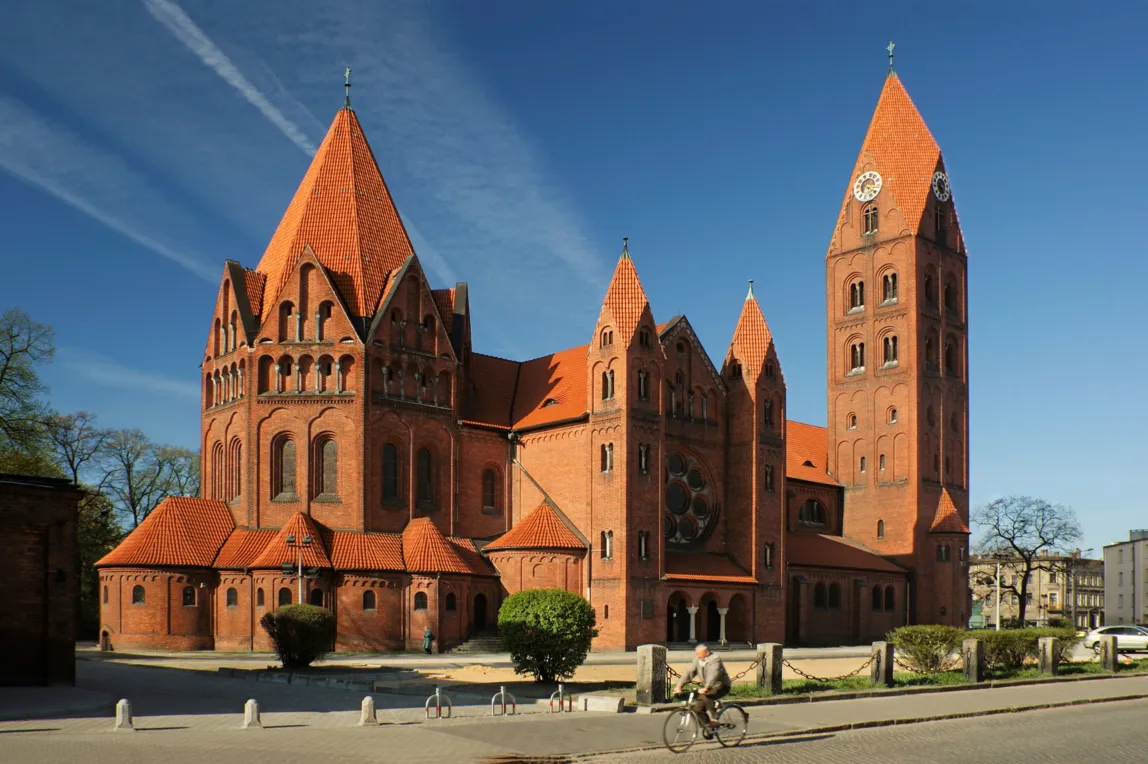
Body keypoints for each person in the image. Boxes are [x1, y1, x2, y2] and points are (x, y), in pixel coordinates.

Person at [673, 643, 731, 731]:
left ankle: (714, 717)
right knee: (697, 709)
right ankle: (708, 725)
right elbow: (689, 672)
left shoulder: (715, 659)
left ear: (707, 653)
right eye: (696, 654)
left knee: (706, 696)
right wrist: (679, 686)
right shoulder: (698, 660)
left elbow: (713, 674)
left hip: (720, 686)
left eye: (699, 654)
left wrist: (707, 687)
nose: (697, 656)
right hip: (708, 687)